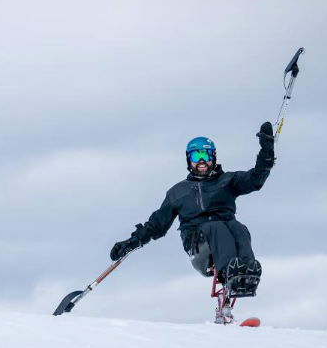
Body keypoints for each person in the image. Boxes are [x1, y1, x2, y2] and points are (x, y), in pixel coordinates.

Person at [109, 122, 276, 293]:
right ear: (189, 160)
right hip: (199, 247)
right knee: (215, 226)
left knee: (238, 227)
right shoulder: (178, 192)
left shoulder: (227, 181)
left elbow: (256, 178)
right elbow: (156, 226)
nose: (202, 161)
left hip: (226, 237)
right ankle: (230, 272)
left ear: (214, 158)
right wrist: (130, 243)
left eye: (206, 155)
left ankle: (248, 272)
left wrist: (267, 151)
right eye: (196, 157)